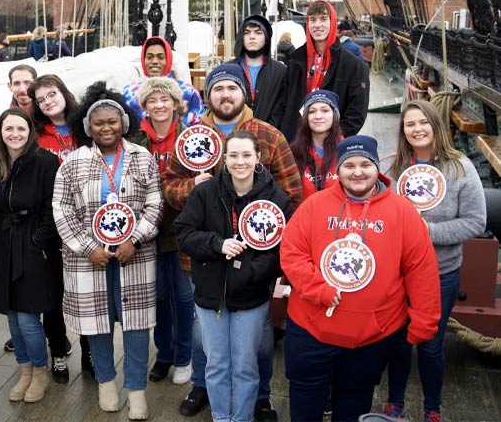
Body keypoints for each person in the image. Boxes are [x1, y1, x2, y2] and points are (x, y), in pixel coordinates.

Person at [163, 63, 302, 420]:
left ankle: (259, 399)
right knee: (208, 345)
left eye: (233, 87)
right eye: (218, 88)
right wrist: (194, 190)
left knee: (253, 349)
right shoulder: (193, 140)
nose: (226, 94)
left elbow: (291, 202)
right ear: (208, 95)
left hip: (255, 278)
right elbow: (171, 191)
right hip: (206, 272)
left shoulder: (268, 136)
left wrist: (264, 269)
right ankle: (207, 394)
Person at [280, 135, 441, 422]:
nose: (357, 172)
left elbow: (421, 269)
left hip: (371, 335)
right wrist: (320, 290)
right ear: (338, 170)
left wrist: (424, 321)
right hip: (311, 331)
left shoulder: (402, 211)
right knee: (304, 405)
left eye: (365, 164)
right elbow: (292, 253)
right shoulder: (314, 205)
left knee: (354, 405)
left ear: (376, 168)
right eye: (349, 165)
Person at [53, 81, 162, 420]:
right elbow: (61, 209)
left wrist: (137, 239)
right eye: (98, 122)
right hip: (90, 261)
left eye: (112, 121)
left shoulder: (142, 158)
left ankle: (137, 389)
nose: (106, 128)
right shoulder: (72, 163)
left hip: (135, 257)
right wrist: (88, 249)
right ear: (88, 127)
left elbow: (155, 204)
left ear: (123, 123)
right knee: (96, 323)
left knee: (136, 325)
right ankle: (106, 383)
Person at [175, 130, 294, 422]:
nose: (240, 162)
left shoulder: (277, 198)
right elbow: (185, 234)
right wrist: (217, 244)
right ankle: (220, 417)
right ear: (224, 158)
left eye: (246, 155)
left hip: (251, 297)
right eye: (233, 155)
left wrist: (251, 273)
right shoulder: (205, 192)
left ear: (258, 158)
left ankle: (240, 418)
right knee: (216, 363)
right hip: (210, 296)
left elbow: (283, 250)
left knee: (244, 364)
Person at [381, 100, 486, 422]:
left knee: (430, 344)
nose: (417, 129)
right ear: (403, 131)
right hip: (398, 273)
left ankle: (432, 408)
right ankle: (394, 403)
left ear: (435, 126)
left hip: (441, 273)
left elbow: (475, 222)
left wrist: (428, 231)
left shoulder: (460, 168)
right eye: (410, 124)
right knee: (398, 341)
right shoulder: (392, 169)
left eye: (423, 122)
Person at [0, 108, 60, 403]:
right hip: (3, 245)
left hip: (34, 249)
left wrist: (38, 241)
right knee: (12, 317)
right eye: (8, 129)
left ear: (30, 132)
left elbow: (53, 207)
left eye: (20, 129)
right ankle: (24, 369)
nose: (14, 135)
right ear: (0, 132)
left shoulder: (45, 162)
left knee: (28, 317)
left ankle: (40, 371)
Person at [27, 73, 95, 381]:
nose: (47, 102)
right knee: (52, 294)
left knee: (86, 293)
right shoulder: (36, 133)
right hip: (51, 221)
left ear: (63, 92)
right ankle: (57, 352)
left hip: (85, 219)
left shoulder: (86, 125)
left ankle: (90, 353)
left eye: (51, 94)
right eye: (40, 99)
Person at [127, 77, 194, 385]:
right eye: (152, 100)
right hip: (148, 229)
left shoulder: (189, 135)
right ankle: (164, 353)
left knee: (182, 295)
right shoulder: (136, 139)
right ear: (145, 106)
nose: (159, 105)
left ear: (175, 103)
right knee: (157, 296)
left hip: (181, 228)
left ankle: (184, 355)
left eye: (164, 99)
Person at [280, 0, 369, 143]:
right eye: (312, 20)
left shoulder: (353, 66)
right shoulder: (295, 61)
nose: (317, 25)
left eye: (323, 19)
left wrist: (333, 139)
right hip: (296, 143)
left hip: (331, 146)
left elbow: (356, 112)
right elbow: (284, 103)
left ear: (332, 22)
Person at [122, 36, 205, 127]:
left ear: (168, 60)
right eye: (149, 57)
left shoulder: (187, 91)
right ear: (143, 60)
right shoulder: (129, 92)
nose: (154, 61)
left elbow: (199, 128)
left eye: (160, 57)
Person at [230, 15, 287, 128]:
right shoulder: (228, 70)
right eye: (246, 32)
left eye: (258, 32)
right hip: (234, 136)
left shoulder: (280, 72)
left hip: (269, 137)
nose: (252, 37)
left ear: (266, 39)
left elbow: (281, 108)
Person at [289, 90, 344, 202]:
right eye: (312, 111)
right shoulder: (292, 153)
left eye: (325, 110)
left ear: (334, 115)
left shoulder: (347, 152)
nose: (318, 116)